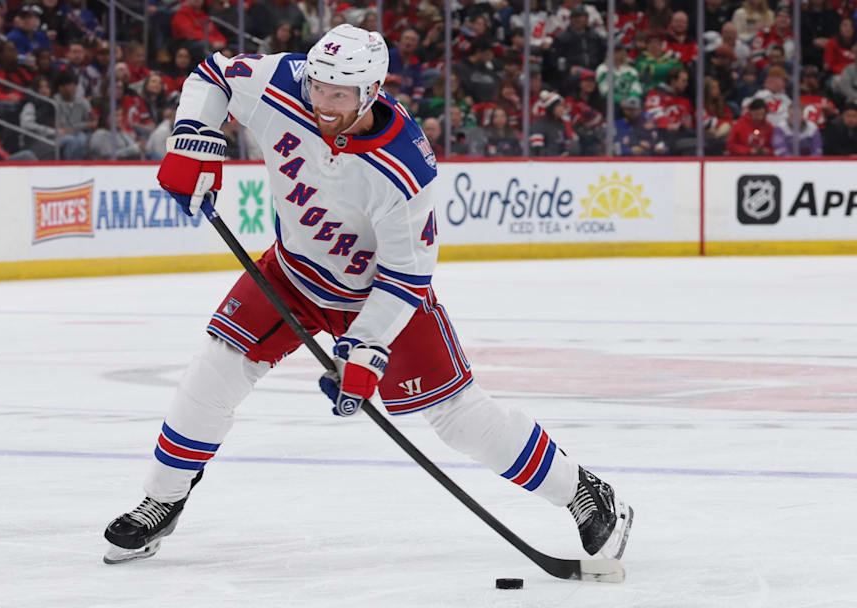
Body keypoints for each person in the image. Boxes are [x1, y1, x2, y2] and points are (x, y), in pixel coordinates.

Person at [102, 23, 633, 565]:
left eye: (339, 94)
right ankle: (162, 500)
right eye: (317, 87)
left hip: (378, 295)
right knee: (216, 367)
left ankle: (581, 491)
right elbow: (212, 74)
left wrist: (366, 350)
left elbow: (406, 275)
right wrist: (194, 141)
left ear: (371, 92)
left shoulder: (405, 165)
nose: (322, 102)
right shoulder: (285, 82)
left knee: (459, 419)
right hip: (293, 272)